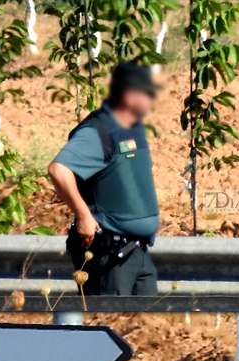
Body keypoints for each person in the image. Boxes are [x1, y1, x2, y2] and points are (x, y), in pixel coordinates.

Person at [48, 61, 160, 296]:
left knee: (138, 327)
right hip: (110, 256)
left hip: (138, 252)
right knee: (111, 326)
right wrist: (83, 216)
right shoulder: (98, 131)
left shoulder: (133, 129)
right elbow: (59, 170)